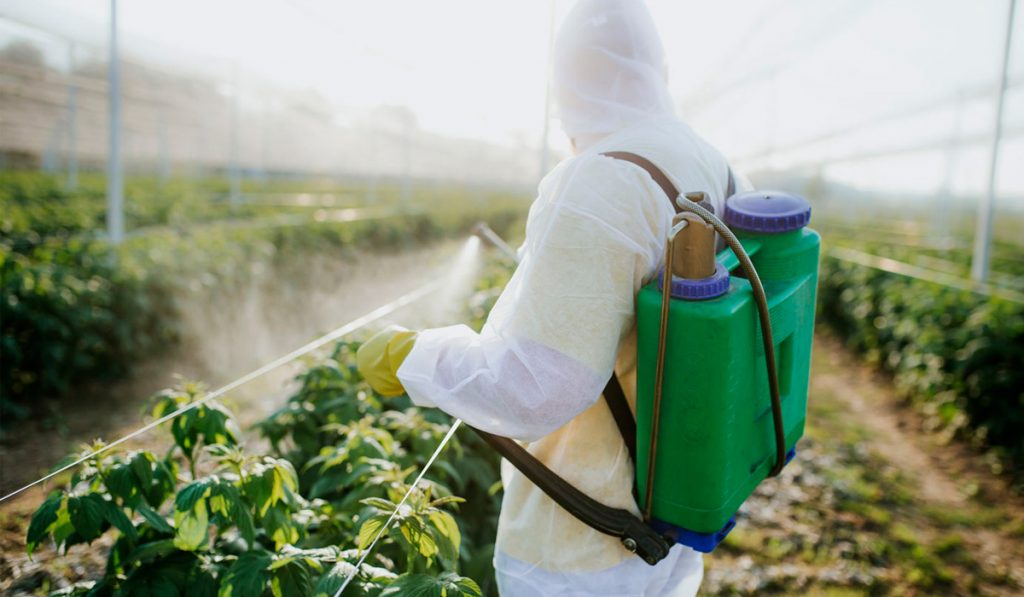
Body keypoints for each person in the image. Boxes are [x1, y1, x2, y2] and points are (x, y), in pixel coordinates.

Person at [357, 0, 750, 594]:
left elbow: (536, 388)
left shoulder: (601, 180)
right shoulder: (709, 160)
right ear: (656, 69)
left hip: (582, 544)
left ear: (565, 80)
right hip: (671, 509)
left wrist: (413, 356)